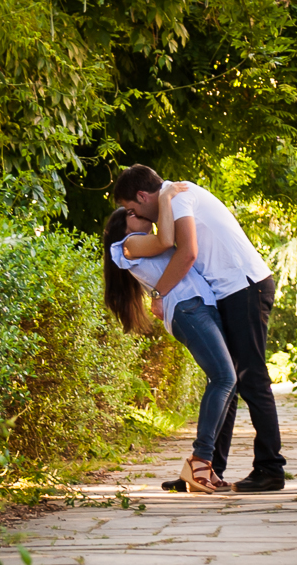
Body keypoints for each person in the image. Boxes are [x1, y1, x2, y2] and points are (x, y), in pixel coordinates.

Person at [113, 165, 287, 492]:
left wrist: (158, 294)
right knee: (227, 381)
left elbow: (188, 253)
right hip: (230, 292)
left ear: (142, 195)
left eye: (131, 208)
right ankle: (205, 470)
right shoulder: (171, 201)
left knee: (251, 379)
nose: (133, 215)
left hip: (244, 287)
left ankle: (270, 469)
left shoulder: (178, 198)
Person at [103, 183, 237, 493]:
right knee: (224, 378)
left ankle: (203, 466)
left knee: (226, 382)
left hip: (201, 306)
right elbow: (165, 240)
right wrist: (164, 196)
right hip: (187, 310)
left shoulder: (145, 240)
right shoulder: (127, 245)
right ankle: (200, 462)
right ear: (123, 226)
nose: (140, 215)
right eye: (132, 214)